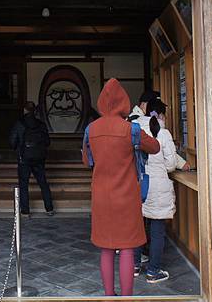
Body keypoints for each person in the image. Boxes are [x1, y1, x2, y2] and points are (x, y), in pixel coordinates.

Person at [82, 78, 160, 296]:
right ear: (123, 102)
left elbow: (86, 160)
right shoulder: (131, 130)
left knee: (106, 247)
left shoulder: (91, 129)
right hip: (126, 197)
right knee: (127, 247)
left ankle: (109, 295)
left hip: (101, 197)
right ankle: (126, 297)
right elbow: (154, 147)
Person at [133, 97, 190, 283]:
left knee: (136, 227)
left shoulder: (133, 128)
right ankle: (153, 271)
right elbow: (171, 164)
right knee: (157, 230)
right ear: (160, 114)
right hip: (157, 185)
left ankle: (134, 266)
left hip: (137, 184)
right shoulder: (163, 133)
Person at [10, 101, 54, 217]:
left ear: (24, 110)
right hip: (39, 158)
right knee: (43, 183)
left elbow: (12, 142)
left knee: (24, 184)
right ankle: (49, 208)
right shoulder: (41, 124)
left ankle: (25, 211)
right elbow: (47, 142)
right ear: (34, 110)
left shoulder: (19, 124)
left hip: (24, 158)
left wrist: (18, 148)